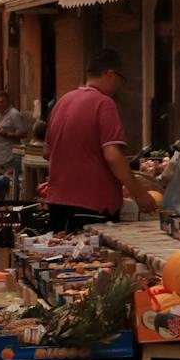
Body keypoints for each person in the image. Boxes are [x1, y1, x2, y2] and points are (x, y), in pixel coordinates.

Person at [45, 49, 157, 231]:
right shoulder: (104, 103)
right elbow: (113, 156)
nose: (120, 86)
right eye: (121, 79)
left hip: (57, 202)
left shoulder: (63, 101)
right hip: (92, 205)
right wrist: (140, 194)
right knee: (93, 258)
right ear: (110, 74)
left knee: (65, 256)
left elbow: (47, 152)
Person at [0, 90, 28, 181]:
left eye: (1, 102)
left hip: (8, 158)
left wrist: (7, 134)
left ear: (7, 101)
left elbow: (24, 133)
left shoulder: (14, 114)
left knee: (3, 185)